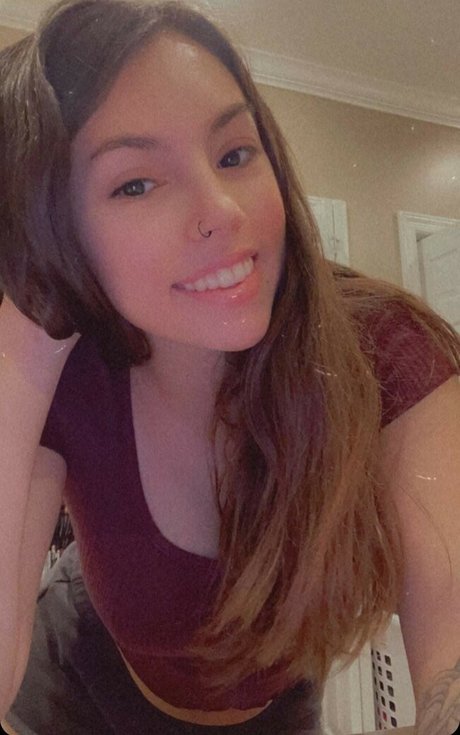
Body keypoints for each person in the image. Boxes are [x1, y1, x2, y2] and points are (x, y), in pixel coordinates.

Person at [0, 0, 459, 733]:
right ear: (57, 229)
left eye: (234, 154)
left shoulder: (388, 352)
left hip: (277, 710)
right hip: (76, 687)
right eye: (135, 183)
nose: (222, 210)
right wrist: (25, 336)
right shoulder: (72, 376)